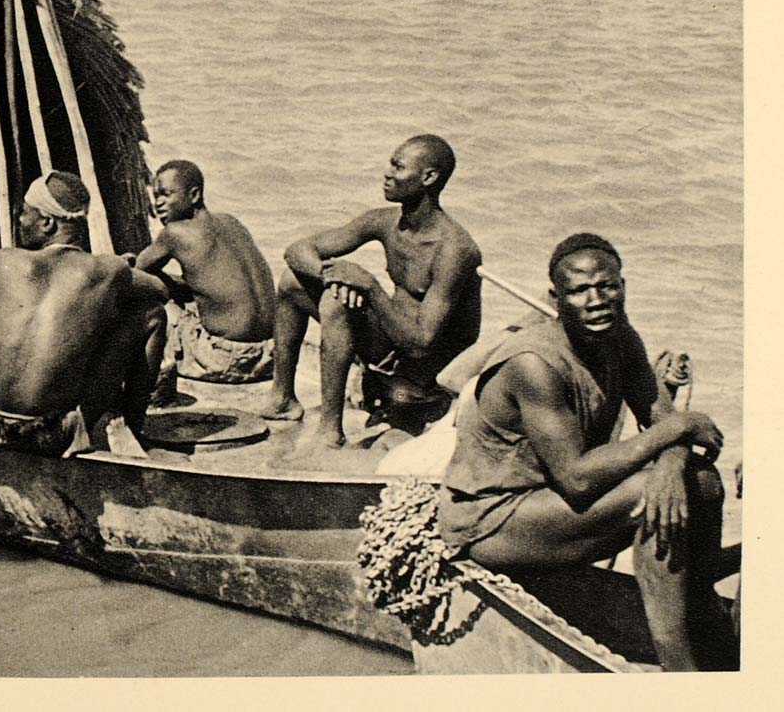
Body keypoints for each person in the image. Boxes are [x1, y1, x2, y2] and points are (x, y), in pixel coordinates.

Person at [437, 235, 735, 672]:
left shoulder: (621, 338)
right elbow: (577, 479)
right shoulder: (533, 364)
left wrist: (672, 462)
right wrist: (678, 431)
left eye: (607, 286)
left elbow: (661, 417)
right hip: (493, 519)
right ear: (556, 298)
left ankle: (701, 606)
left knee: (701, 481)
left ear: (623, 287)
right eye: (579, 291)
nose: (596, 301)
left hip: (553, 503)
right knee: (647, 496)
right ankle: (677, 663)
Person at [267, 134, 482, 446]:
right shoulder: (385, 222)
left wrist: (368, 286)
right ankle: (282, 399)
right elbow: (297, 250)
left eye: (398, 167)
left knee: (336, 305)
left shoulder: (455, 250)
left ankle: (330, 432)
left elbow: (422, 342)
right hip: (393, 340)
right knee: (292, 282)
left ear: (428, 178)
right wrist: (333, 278)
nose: (387, 173)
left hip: (421, 365)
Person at [0, 171, 169, 457]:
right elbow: (160, 291)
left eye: (25, 212)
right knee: (152, 315)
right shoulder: (106, 270)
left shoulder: (4, 260)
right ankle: (131, 427)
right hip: (53, 435)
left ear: (47, 222)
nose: (20, 220)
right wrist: (122, 271)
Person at [134, 160, 277, 392]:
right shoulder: (231, 222)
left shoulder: (174, 233)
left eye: (166, 194)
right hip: (271, 355)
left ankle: (151, 375)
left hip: (224, 359)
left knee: (148, 295)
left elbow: (137, 272)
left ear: (194, 195)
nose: (158, 203)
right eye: (156, 196)